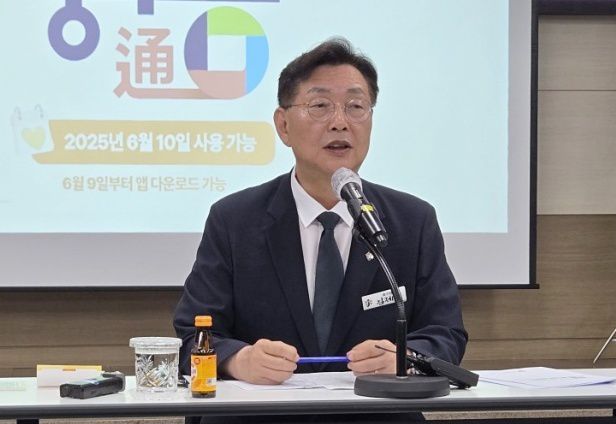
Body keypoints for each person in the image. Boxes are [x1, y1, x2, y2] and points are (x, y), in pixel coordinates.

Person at [174, 38, 467, 385]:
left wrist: (405, 359)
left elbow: (446, 334)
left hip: (377, 414)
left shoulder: (412, 222)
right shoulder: (234, 220)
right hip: (264, 415)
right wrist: (239, 360)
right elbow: (192, 337)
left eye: (356, 106)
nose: (340, 122)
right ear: (283, 125)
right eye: (320, 106)